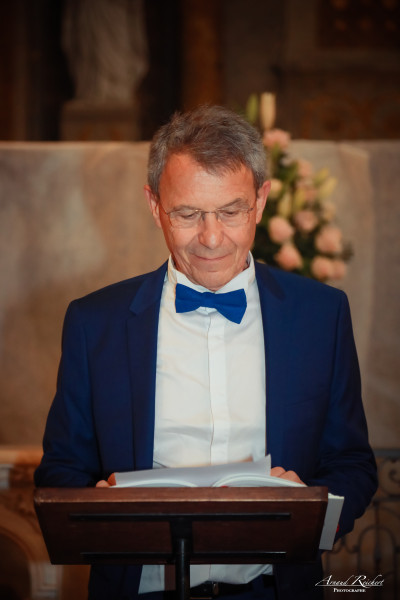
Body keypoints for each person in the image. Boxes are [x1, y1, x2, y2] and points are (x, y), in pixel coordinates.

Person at [35, 105, 377, 600]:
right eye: (188, 214)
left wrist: (309, 512)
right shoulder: (95, 323)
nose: (211, 238)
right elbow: (61, 468)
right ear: (155, 205)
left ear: (261, 201)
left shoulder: (321, 316)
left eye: (231, 211)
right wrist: (98, 509)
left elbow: (352, 463)